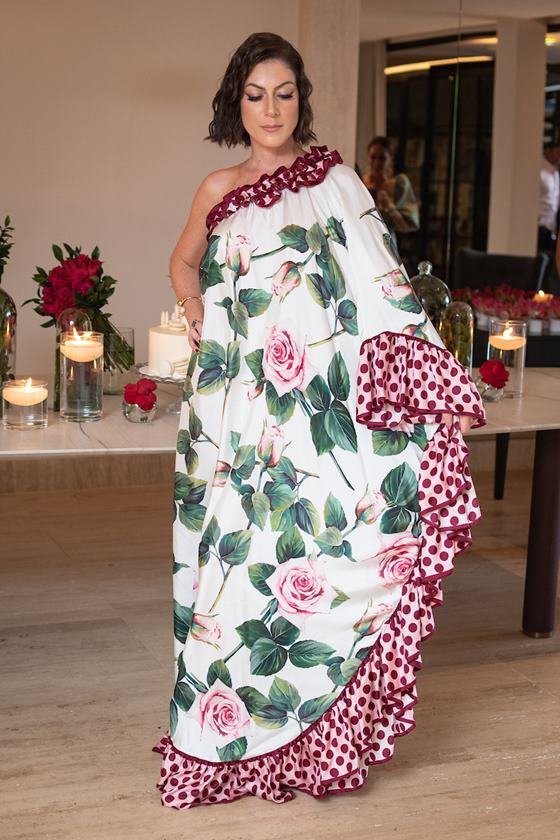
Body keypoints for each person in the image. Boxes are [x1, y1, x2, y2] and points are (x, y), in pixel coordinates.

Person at [154, 32, 485, 810]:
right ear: (236, 103)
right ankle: (220, 741)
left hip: (314, 417)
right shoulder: (216, 185)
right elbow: (180, 260)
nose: (272, 109)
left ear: (302, 98)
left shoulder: (336, 183)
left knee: (316, 549)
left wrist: (433, 394)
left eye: (285, 93)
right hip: (236, 417)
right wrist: (198, 308)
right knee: (232, 575)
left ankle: (309, 739)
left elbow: (385, 290)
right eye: (255, 95)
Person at [362, 136, 419, 251]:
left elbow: (405, 228)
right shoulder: (360, 182)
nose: (377, 163)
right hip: (362, 241)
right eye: (373, 157)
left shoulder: (398, 184)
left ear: (390, 159)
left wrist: (389, 205)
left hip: (386, 246)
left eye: (382, 158)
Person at [538, 143, 560, 254]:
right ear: (549, 151)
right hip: (539, 222)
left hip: (550, 224)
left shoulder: (555, 171)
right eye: (557, 152)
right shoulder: (538, 166)